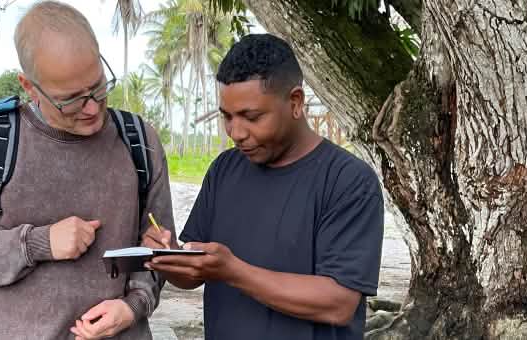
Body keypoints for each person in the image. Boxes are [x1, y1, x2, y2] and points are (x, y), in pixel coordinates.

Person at [0, 1, 175, 339]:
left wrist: (134, 305)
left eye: (98, 87)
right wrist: (36, 244)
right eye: (71, 98)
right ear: (30, 86)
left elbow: (159, 247)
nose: (91, 108)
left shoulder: (138, 141)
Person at [143, 33, 384, 339]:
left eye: (251, 117)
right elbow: (194, 275)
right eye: (227, 117)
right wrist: (167, 257)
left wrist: (232, 270)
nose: (236, 132)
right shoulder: (225, 170)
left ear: (295, 102)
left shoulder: (348, 181)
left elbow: (338, 304)